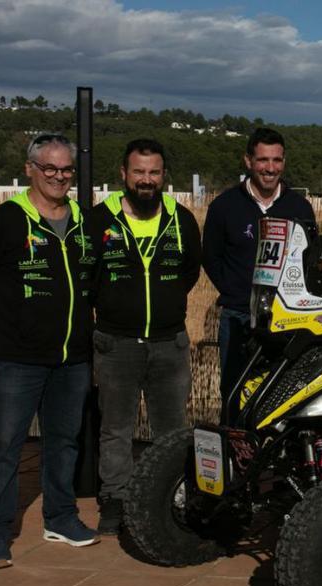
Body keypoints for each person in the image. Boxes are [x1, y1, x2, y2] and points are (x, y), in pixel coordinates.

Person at [0, 134, 101, 569]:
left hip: (71, 359)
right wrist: (0, 335)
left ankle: (60, 517)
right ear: (30, 170)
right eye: (49, 168)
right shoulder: (2, 222)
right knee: (4, 446)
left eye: (66, 170)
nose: (59, 177)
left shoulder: (84, 223)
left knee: (63, 443)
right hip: (14, 362)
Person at [86, 139, 201, 535]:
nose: (146, 180)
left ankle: (171, 497)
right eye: (139, 172)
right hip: (116, 343)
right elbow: (88, 276)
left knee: (171, 431)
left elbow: (189, 273)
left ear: (163, 175)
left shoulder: (181, 219)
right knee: (115, 428)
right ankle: (115, 500)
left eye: (154, 173)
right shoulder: (99, 221)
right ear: (123, 174)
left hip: (169, 342)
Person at [203, 128, 317, 422]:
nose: (270, 168)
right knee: (234, 393)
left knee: (282, 395)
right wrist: (235, 292)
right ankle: (233, 460)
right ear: (248, 161)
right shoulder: (224, 206)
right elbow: (211, 257)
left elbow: (308, 260)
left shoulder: (299, 207)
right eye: (263, 160)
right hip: (239, 317)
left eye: (276, 160)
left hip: (286, 320)